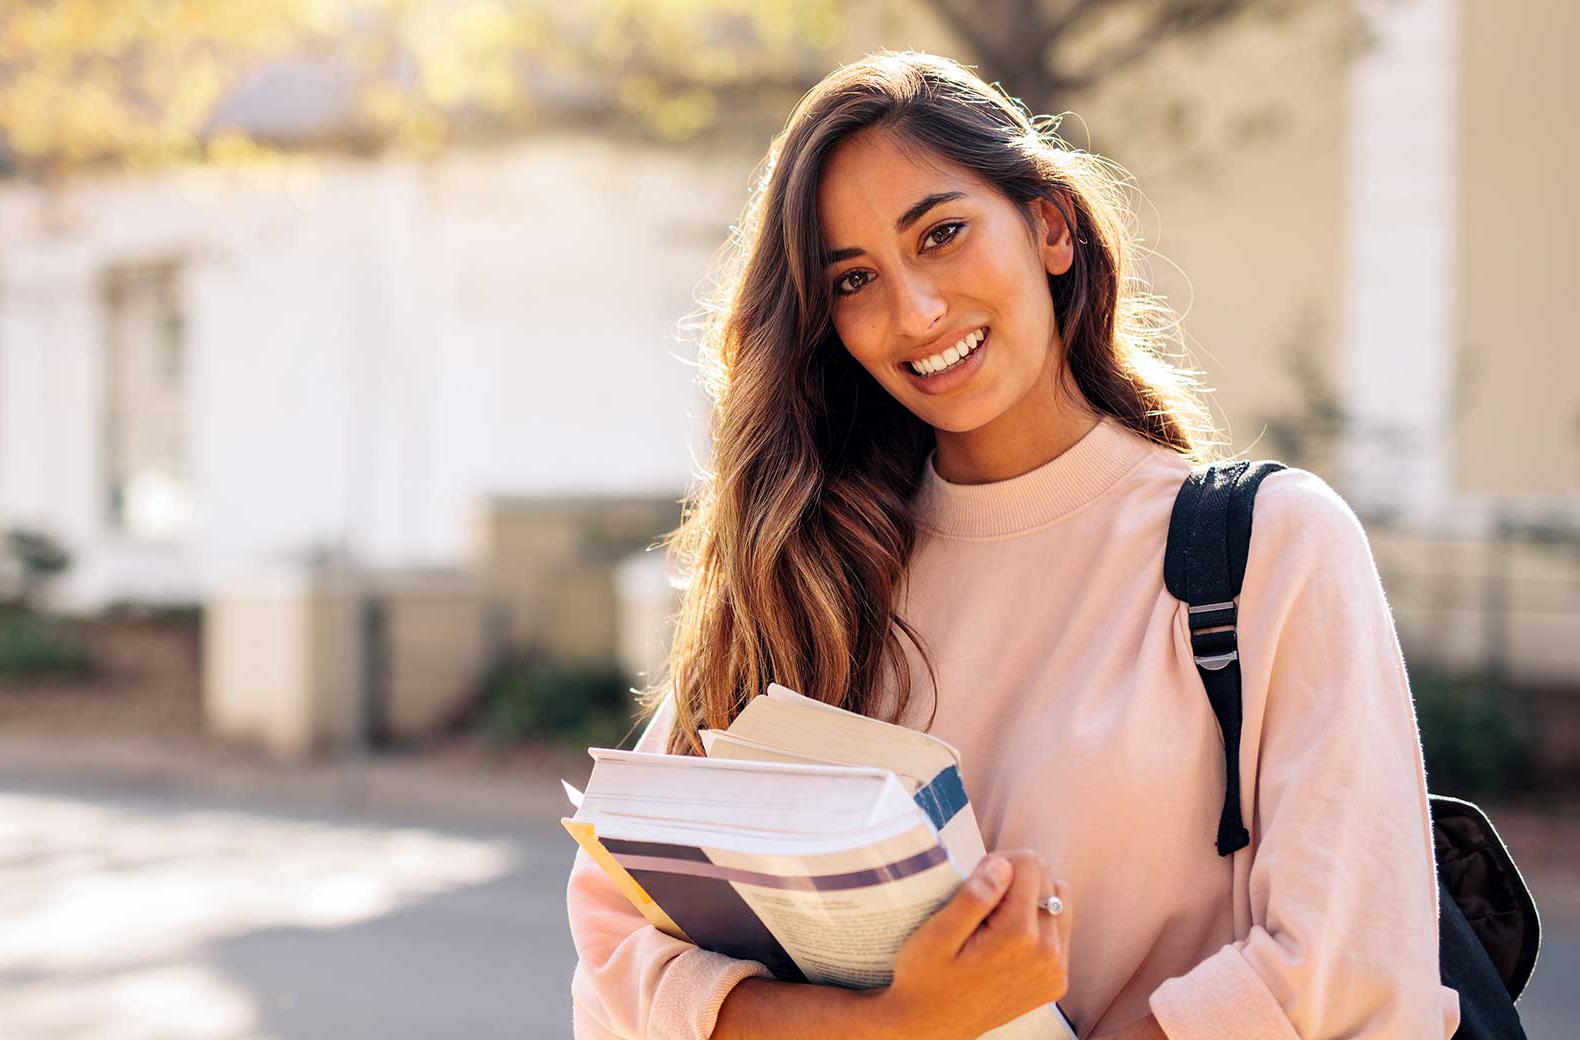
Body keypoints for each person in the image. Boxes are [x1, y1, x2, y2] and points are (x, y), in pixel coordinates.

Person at [565, 50, 1460, 1040]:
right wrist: (901, 1023)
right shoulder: (810, 570)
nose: (915, 311)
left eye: (942, 233)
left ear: (1049, 226)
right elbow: (619, 962)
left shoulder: (1268, 549)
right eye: (854, 279)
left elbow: (1347, 965)